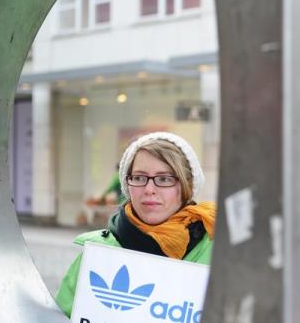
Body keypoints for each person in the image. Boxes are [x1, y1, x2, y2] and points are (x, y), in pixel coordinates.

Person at [55, 132, 216, 317]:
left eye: (164, 179)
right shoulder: (97, 253)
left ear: (187, 185)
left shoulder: (216, 252)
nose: (149, 189)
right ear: (127, 184)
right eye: (139, 178)